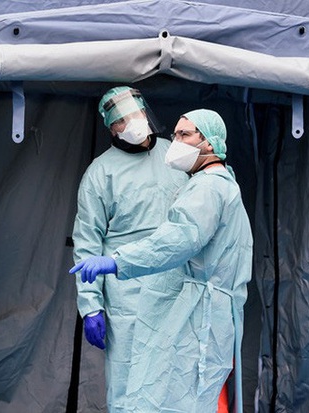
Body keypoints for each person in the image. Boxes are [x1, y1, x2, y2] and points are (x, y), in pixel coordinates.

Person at [70, 109, 253, 413]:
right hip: (192, 313)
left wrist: (117, 262)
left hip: (196, 318)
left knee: (175, 400)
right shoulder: (211, 183)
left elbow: (177, 240)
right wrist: (93, 301)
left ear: (209, 142)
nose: (176, 141)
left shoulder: (208, 188)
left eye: (185, 134)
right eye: (176, 133)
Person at [72, 86, 188, 411]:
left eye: (136, 114)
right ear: (112, 128)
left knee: (178, 383)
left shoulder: (175, 155)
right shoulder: (100, 174)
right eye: (122, 120)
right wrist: (90, 306)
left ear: (146, 113)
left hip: (178, 290)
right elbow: (87, 244)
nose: (132, 123)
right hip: (128, 300)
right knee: (129, 386)